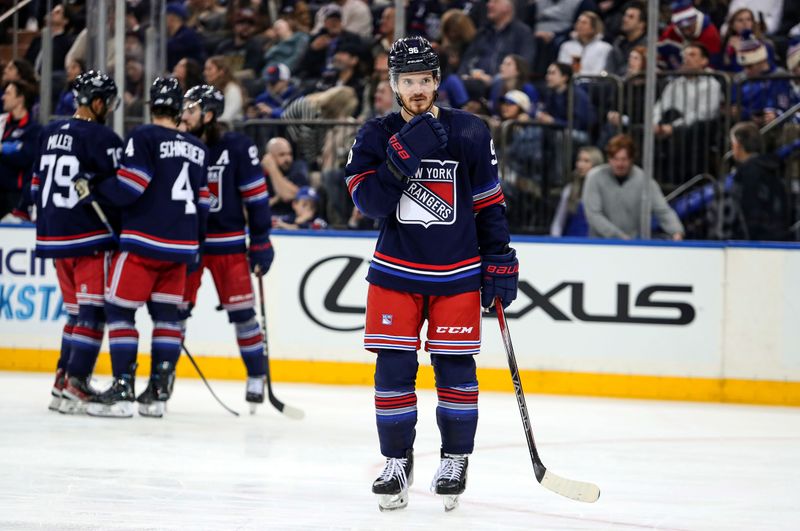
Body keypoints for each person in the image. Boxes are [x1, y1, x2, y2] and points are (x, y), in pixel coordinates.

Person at [344, 36, 518, 511]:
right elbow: (368, 204)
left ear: (437, 81)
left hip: (457, 272)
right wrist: (402, 156)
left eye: (424, 79)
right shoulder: (376, 134)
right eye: (408, 81)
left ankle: (454, 458)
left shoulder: (470, 132)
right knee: (393, 370)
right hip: (395, 274)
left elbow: (488, 203)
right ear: (393, 85)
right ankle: (397, 460)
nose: (417, 89)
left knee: (456, 370)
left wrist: (498, 256)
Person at [83, 77, 209, 418]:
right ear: (179, 106)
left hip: (145, 242)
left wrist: (97, 185)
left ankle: (123, 387)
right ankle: (158, 392)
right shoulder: (199, 147)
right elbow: (205, 202)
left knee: (119, 311)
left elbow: (131, 186)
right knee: (167, 317)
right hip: (183, 246)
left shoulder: (144, 136)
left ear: (152, 104)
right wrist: (195, 247)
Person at [179, 84, 276, 409]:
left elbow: (256, 196)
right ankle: (160, 382)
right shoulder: (177, 144)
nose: (184, 115)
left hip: (229, 245)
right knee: (173, 313)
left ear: (208, 114)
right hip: (187, 244)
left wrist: (260, 238)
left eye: (191, 110)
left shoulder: (236, 146)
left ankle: (255, 376)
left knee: (243, 314)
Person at [32, 71, 123, 413]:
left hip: (54, 235)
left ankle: (62, 379)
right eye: (108, 102)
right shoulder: (104, 138)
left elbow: (36, 186)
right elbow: (117, 192)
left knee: (74, 313)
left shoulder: (48, 131)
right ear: (97, 102)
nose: (110, 109)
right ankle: (77, 382)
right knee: (92, 312)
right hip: (88, 235)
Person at [582, 134, 685, 240]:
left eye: (624, 159)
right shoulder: (594, 177)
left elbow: (662, 210)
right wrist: (620, 237)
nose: (619, 164)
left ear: (632, 159)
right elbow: (593, 215)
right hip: (600, 245)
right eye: (615, 159)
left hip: (634, 247)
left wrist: (676, 231)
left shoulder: (644, 180)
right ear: (609, 159)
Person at [724, 121, 788, 240]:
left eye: (732, 144)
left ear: (738, 145)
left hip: (753, 241)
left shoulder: (748, 173)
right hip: (777, 236)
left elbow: (748, 209)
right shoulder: (772, 168)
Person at [0, 79, 41, 219]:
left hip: (15, 196)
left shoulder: (33, 130)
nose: (3, 97)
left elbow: (24, 157)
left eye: (8, 93)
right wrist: (9, 149)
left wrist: (2, 149)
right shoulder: (3, 124)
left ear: (20, 98)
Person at [550, 146, 604, 237]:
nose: (580, 165)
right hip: (572, 244)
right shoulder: (569, 190)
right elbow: (558, 223)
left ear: (596, 165)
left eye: (586, 161)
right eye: (579, 160)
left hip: (596, 244)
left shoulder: (604, 190)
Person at [262, 136, 310, 217]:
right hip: (267, 219)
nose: (287, 158)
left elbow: (288, 196)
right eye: (282, 155)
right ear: (269, 157)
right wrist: (276, 199)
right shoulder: (259, 173)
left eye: (289, 154)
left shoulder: (297, 169)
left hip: (291, 220)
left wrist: (272, 169)